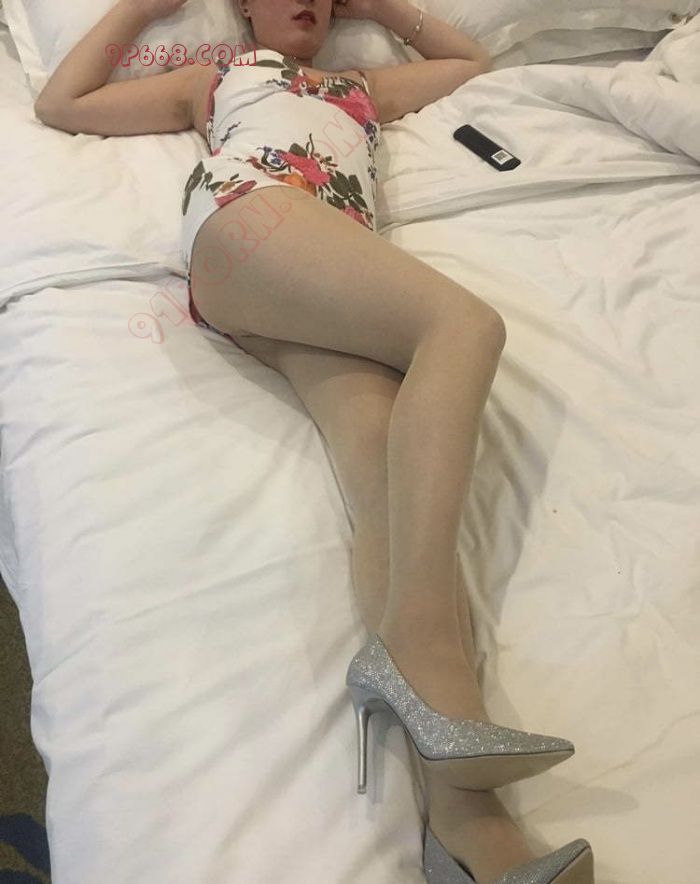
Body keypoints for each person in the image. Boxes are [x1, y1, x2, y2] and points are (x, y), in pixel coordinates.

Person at [34, 1, 594, 881]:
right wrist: (143, 8)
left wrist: (383, 9)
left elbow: (472, 66)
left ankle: (475, 841)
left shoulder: (358, 86)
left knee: (388, 486)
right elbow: (61, 104)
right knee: (464, 327)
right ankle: (417, 644)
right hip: (251, 223)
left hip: (314, 288)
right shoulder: (220, 76)